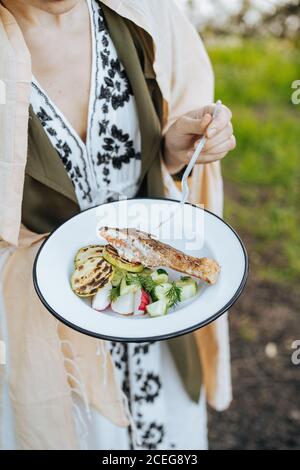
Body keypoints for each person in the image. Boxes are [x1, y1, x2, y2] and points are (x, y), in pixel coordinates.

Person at [0, 0, 235, 450]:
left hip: (157, 313)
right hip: (42, 332)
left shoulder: (147, 15)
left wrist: (176, 151)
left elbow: (181, 134)